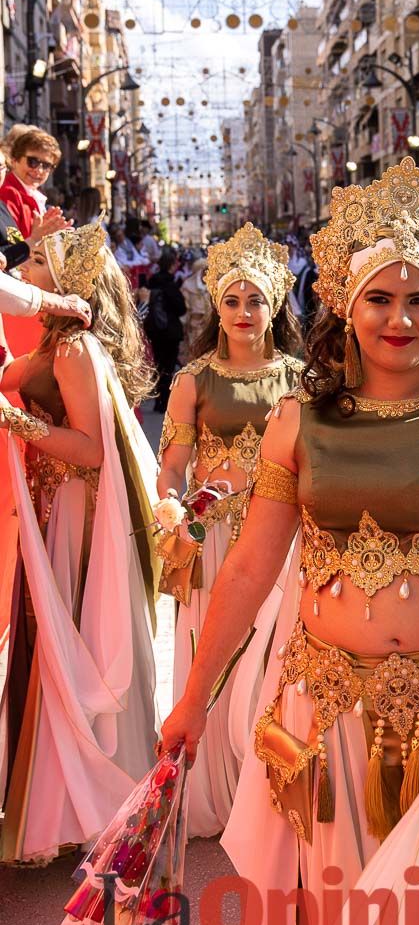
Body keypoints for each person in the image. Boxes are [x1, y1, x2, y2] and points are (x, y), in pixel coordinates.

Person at [159, 161, 419, 925]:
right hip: (322, 707)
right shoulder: (298, 420)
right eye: (380, 297)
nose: (400, 319)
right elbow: (245, 572)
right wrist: (193, 700)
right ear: (345, 303)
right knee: (336, 911)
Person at [0, 222, 159, 864]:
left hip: (68, 513)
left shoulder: (73, 350)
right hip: (48, 509)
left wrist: (13, 421)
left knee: (67, 651)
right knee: (48, 650)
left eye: (37, 260)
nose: (25, 269)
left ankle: (78, 805)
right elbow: (13, 378)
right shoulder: (56, 340)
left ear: (67, 282)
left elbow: (92, 450)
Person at [156, 225, 303, 836]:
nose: (245, 312)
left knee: (277, 657)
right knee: (211, 655)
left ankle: (270, 790)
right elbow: (169, 472)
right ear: (216, 306)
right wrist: (173, 516)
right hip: (212, 540)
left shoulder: (301, 378)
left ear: (276, 304)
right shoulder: (194, 379)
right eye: (232, 301)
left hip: (281, 538)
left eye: (256, 299)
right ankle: (215, 787)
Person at [0, 129, 63, 242]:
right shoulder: (9, 192)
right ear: (15, 160)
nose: (39, 170)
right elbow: (11, 244)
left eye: (46, 166)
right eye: (33, 162)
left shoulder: (32, 193)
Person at [145, 248, 188, 412]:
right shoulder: (171, 285)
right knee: (168, 366)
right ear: (171, 265)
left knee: (157, 364)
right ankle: (165, 401)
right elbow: (181, 308)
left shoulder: (152, 282)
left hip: (154, 329)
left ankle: (158, 400)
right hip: (170, 331)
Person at [179, 254, 211, 361]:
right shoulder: (188, 286)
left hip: (210, 326)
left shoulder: (215, 285)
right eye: (205, 270)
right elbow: (184, 309)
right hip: (194, 327)